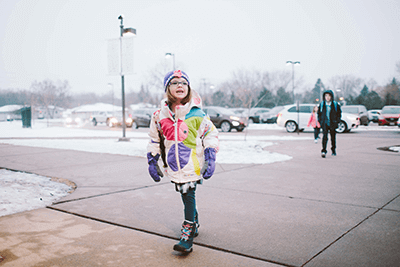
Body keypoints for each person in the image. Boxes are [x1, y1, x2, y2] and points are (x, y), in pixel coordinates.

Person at [147, 70, 219, 253]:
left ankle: (187, 234)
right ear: (167, 89)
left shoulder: (197, 114)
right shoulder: (159, 116)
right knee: (183, 193)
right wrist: (152, 160)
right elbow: (155, 139)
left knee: (188, 194)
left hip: (192, 165)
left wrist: (210, 156)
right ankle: (194, 220)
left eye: (183, 83)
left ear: (189, 88)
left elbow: (210, 133)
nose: (180, 85)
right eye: (174, 83)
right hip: (173, 165)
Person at [318, 89, 341, 158]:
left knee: (333, 138)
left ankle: (333, 150)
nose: (327, 97)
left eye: (329, 96)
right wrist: (321, 121)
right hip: (325, 123)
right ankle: (324, 150)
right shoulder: (322, 105)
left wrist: (337, 121)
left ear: (331, 97)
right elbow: (319, 114)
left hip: (332, 123)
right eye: (326, 96)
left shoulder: (335, 104)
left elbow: (339, 114)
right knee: (325, 137)